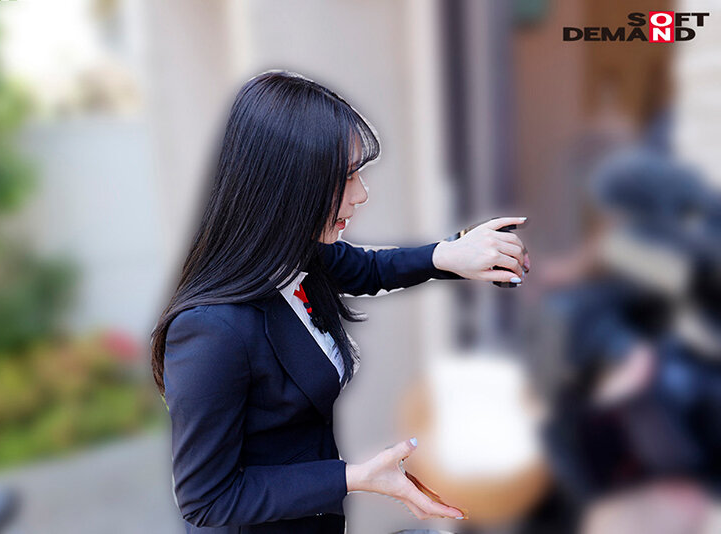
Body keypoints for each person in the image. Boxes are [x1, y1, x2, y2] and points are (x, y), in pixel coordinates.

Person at [150, 71, 530, 533]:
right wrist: (355, 478)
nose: (361, 194)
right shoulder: (212, 330)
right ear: (286, 186)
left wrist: (449, 254)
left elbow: (367, 269)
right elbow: (206, 500)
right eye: (345, 177)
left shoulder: (296, 257)